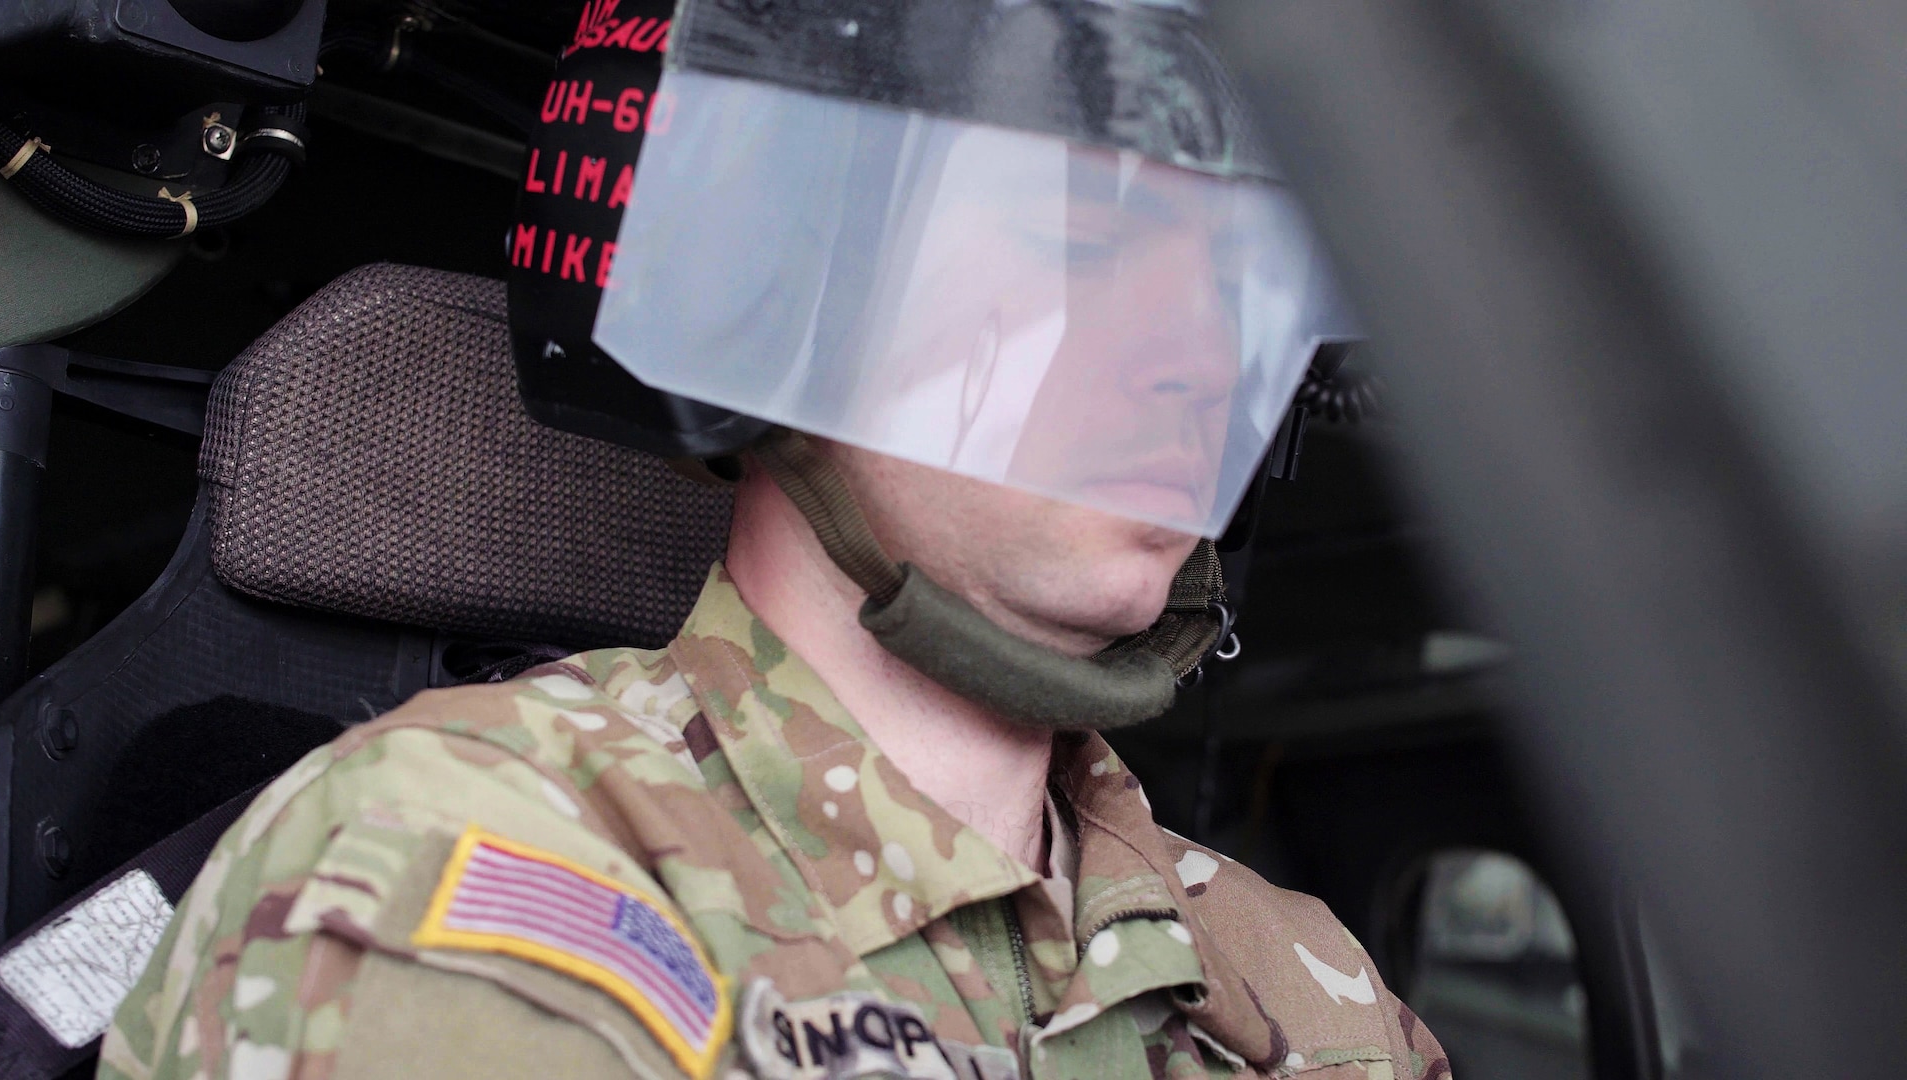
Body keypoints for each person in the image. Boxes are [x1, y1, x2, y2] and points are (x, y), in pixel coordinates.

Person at [100, 3, 1448, 1078]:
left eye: (1242, 283)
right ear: (794, 272)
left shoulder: (1308, 989)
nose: (1193, 356)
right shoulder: (467, 878)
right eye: (1079, 241)